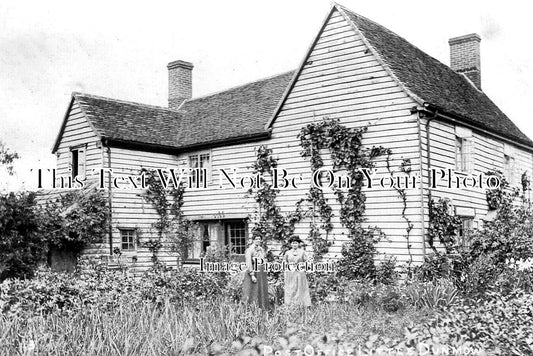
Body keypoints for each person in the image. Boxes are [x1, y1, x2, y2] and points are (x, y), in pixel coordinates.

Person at [242, 235, 269, 309]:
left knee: (261, 289)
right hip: (253, 271)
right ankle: (251, 309)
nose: (258, 240)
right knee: (252, 290)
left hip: (261, 272)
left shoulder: (261, 249)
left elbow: (264, 259)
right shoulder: (250, 250)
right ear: (253, 240)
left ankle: (262, 308)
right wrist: (252, 274)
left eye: (259, 239)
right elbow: (248, 262)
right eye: (256, 239)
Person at [283, 236, 312, 306]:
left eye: (296, 243)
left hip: (299, 273)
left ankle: (301, 304)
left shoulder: (302, 252)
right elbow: (284, 262)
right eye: (293, 243)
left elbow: (307, 262)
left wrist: (304, 267)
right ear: (290, 244)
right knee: (291, 288)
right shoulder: (287, 253)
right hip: (290, 273)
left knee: (300, 288)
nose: (294, 245)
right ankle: (290, 304)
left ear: (298, 244)